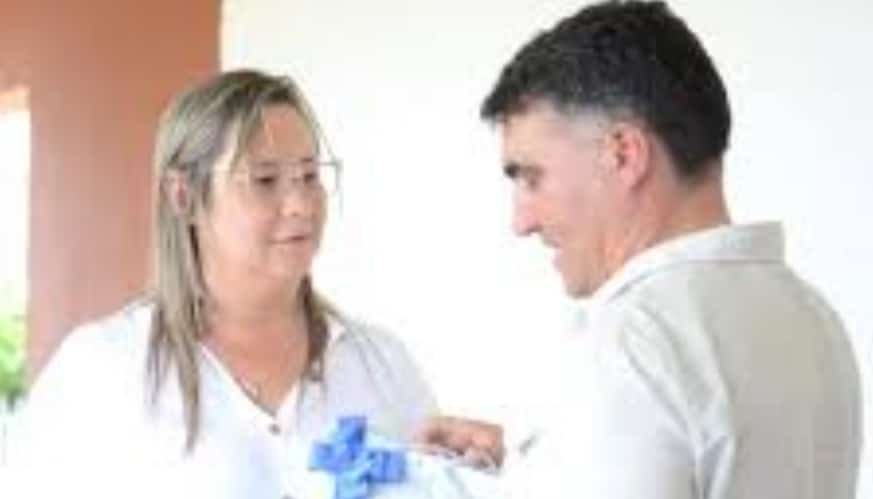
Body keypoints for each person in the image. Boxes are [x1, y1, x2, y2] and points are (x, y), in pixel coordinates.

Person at [420, 1, 862, 498]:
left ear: (624, 154)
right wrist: (542, 466)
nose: (522, 222)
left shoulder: (634, 344)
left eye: (531, 177)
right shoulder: (811, 317)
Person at [14, 69, 435, 499]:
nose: (300, 205)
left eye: (310, 176)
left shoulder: (384, 367)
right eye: (265, 180)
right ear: (183, 196)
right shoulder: (99, 370)